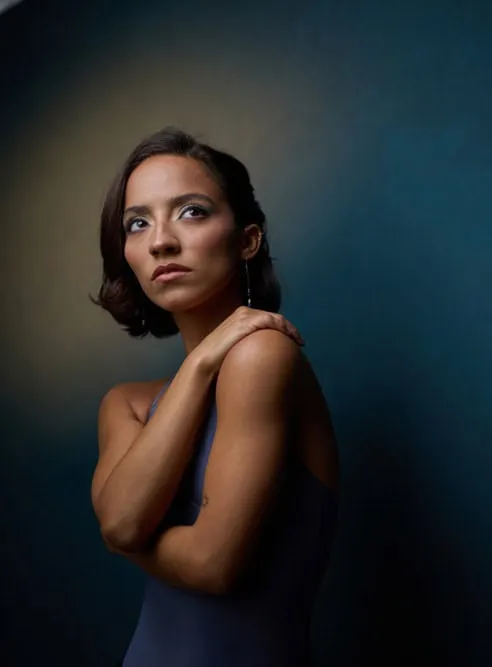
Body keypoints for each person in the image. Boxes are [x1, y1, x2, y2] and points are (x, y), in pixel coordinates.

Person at [90, 128, 339, 667]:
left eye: (191, 212)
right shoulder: (126, 403)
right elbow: (121, 525)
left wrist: (127, 538)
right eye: (138, 223)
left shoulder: (263, 356)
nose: (160, 241)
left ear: (248, 240)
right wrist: (202, 363)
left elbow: (212, 565)